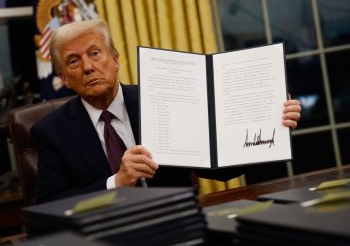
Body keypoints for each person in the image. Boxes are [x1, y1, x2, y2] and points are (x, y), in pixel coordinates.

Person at [31, 20, 301, 203]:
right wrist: (116, 182)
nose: (88, 67)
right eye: (74, 61)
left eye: (95, 53)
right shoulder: (51, 132)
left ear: (115, 61)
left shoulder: (162, 99)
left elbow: (217, 168)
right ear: (65, 78)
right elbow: (50, 204)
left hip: (179, 225)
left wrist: (271, 126)